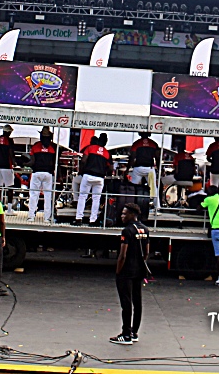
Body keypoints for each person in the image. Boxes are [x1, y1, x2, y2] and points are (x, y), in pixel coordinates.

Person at [111, 203, 150, 345]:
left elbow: (122, 254)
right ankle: (134, 332)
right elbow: (146, 251)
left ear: (132, 214)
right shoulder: (144, 229)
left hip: (127, 271)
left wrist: (118, 270)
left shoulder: (126, 231)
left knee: (126, 303)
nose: (122, 216)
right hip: (139, 270)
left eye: (124, 213)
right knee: (137, 301)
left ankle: (126, 334)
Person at [74, 136, 111, 225]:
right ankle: (93, 220)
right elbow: (110, 167)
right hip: (100, 177)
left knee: (82, 197)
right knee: (96, 199)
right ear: (106, 142)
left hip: (88, 175)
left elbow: (83, 160)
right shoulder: (107, 152)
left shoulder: (90, 148)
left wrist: (82, 171)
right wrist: (104, 171)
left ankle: (79, 218)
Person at [28, 126, 57, 222]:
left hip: (37, 172)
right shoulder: (53, 148)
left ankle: (31, 217)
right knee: (48, 196)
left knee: (33, 195)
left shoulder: (36, 146)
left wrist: (24, 163)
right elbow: (55, 163)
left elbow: (32, 162)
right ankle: (47, 218)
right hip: (48, 173)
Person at [0, 125, 16, 203]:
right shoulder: (9, 140)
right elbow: (11, 153)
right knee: (10, 187)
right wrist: (14, 162)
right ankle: (9, 209)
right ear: (8, 132)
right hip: (7, 166)